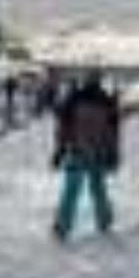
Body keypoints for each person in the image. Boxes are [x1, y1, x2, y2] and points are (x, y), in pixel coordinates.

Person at [51, 69, 120, 241]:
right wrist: (113, 154)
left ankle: (62, 226)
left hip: (79, 150)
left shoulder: (74, 100)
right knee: (97, 187)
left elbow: (63, 129)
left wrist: (59, 150)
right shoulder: (106, 102)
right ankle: (104, 220)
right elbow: (112, 133)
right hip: (97, 151)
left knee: (72, 189)